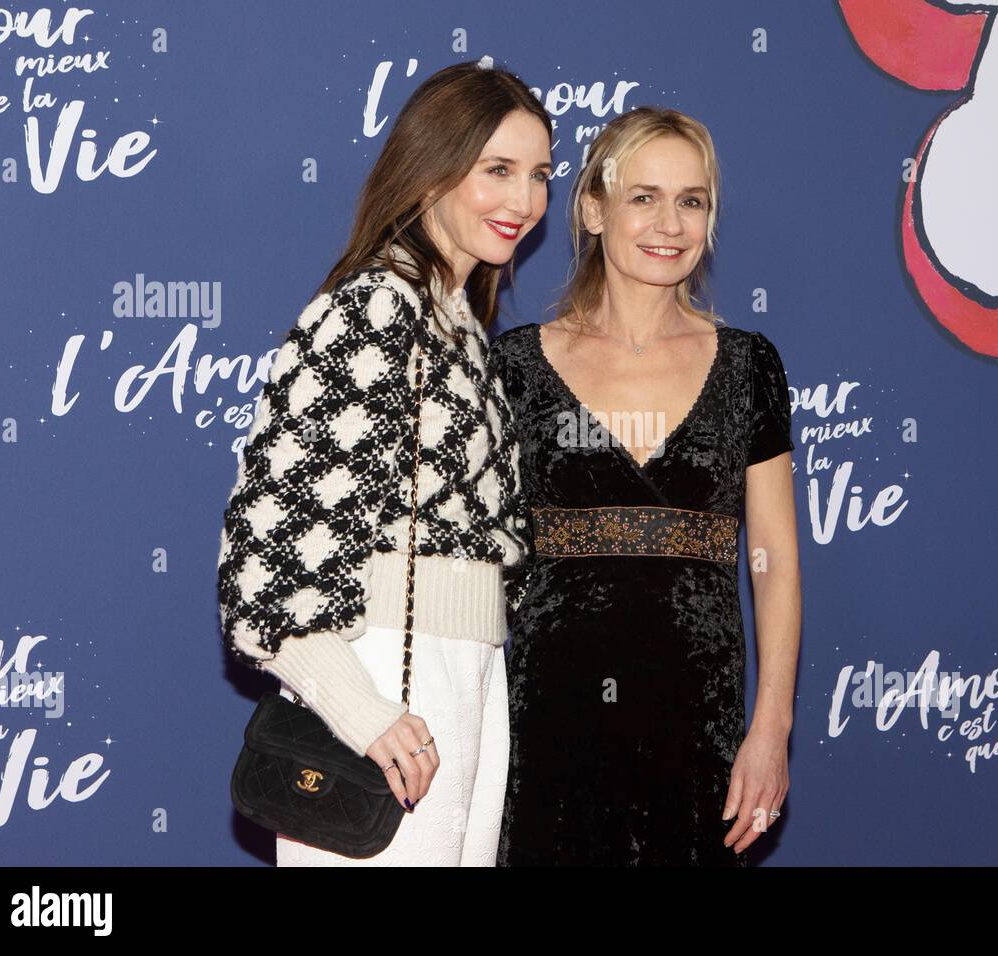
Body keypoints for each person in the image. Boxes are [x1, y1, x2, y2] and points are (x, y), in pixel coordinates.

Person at [215, 59, 552, 866]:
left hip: (464, 688)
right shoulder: (372, 310)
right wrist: (360, 710)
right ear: (430, 168)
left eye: (539, 175)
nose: (524, 201)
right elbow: (264, 566)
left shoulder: (458, 327)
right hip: (387, 689)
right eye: (496, 170)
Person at [491, 107, 802, 865]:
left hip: (698, 722)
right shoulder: (514, 368)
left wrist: (771, 729)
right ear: (594, 209)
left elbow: (776, 561)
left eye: (691, 200)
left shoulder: (748, 365)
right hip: (549, 720)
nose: (671, 223)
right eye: (645, 196)